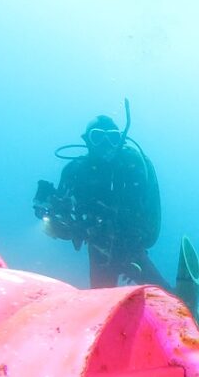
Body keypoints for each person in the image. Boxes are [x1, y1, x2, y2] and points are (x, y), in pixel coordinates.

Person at [33, 108, 164, 289]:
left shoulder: (132, 165)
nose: (105, 143)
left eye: (112, 137)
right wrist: (46, 208)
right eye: (97, 136)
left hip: (131, 247)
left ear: (121, 139)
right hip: (98, 246)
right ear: (87, 140)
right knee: (102, 301)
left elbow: (145, 211)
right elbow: (61, 227)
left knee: (163, 296)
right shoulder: (75, 171)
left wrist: (131, 245)